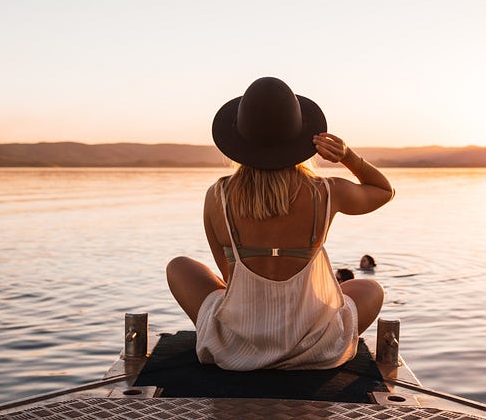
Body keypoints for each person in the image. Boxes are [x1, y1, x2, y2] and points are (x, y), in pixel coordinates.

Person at [166, 76, 394, 371]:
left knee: (179, 267)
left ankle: (255, 337)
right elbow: (384, 191)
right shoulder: (326, 191)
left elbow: (228, 279)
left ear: (239, 142)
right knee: (371, 289)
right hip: (316, 348)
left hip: (235, 348)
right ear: (300, 138)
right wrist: (347, 156)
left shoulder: (217, 196)